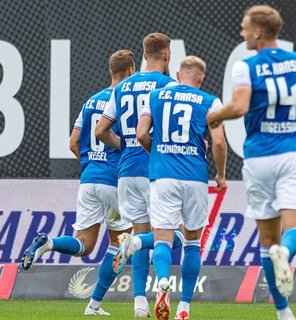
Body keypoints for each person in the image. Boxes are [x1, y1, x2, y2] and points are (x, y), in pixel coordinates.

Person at [206, 5, 296, 320]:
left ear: (257, 32)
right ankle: (286, 255)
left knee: (267, 240)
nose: (241, 32)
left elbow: (238, 107)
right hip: (293, 155)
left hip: (258, 158)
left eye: (243, 27)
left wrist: (213, 115)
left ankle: (283, 312)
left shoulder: (246, 66)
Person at [21, 50, 136, 315]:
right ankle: (94, 304)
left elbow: (73, 143)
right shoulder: (125, 101)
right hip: (114, 182)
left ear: (110, 71)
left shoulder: (91, 101)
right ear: (131, 71)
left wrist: (90, 165)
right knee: (121, 244)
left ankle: (48, 243)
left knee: (84, 245)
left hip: (88, 180)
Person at [132, 55, 227, 320]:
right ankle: (184, 308)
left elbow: (141, 133)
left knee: (162, 238)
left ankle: (163, 281)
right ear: (201, 78)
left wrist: (159, 153)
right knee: (192, 243)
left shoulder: (155, 96)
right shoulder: (210, 101)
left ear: (177, 75)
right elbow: (218, 144)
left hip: (163, 176)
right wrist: (220, 175)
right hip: (195, 177)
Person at [95, 32, 178, 318]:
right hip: (155, 170)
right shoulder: (169, 85)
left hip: (126, 171)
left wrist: (126, 144)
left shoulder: (122, 87)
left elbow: (100, 130)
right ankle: (154, 282)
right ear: (167, 55)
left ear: (143, 56)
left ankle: (140, 303)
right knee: (173, 233)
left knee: (141, 230)